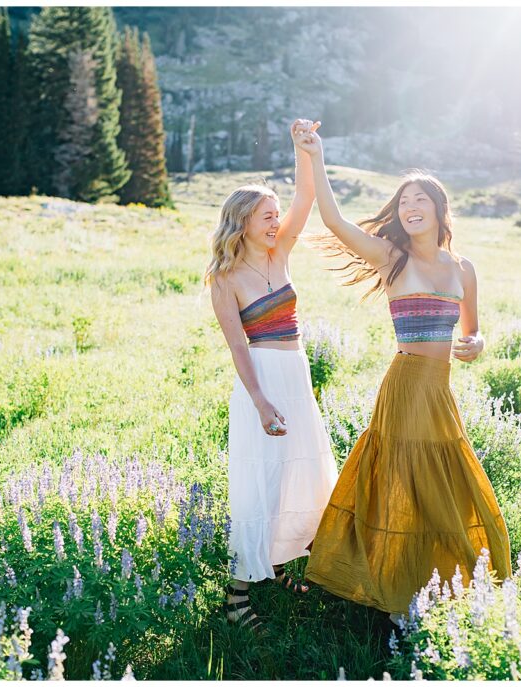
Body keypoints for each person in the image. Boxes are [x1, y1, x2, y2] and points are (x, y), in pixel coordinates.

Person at [294, 124, 512, 620]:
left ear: (438, 210)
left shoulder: (464, 269)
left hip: (439, 392)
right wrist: (314, 156)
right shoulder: (392, 257)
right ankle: (396, 597)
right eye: (403, 202)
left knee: (442, 482)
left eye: (420, 200)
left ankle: (439, 580)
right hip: (404, 382)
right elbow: (334, 222)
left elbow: (473, 335)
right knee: (404, 480)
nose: (410, 207)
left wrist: (475, 344)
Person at [206, 119, 339, 631]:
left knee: (300, 472)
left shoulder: (278, 252)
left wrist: (304, 149)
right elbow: (238, 346)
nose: (275, 222)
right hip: (261, 379)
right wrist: (260, 400)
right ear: (241, 221)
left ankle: (278, 564)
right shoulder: (225, 279)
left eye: (275, 216)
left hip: (297, 374)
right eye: (266, 216)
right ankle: (237, 597)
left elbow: (306, 198)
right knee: (263, 480)